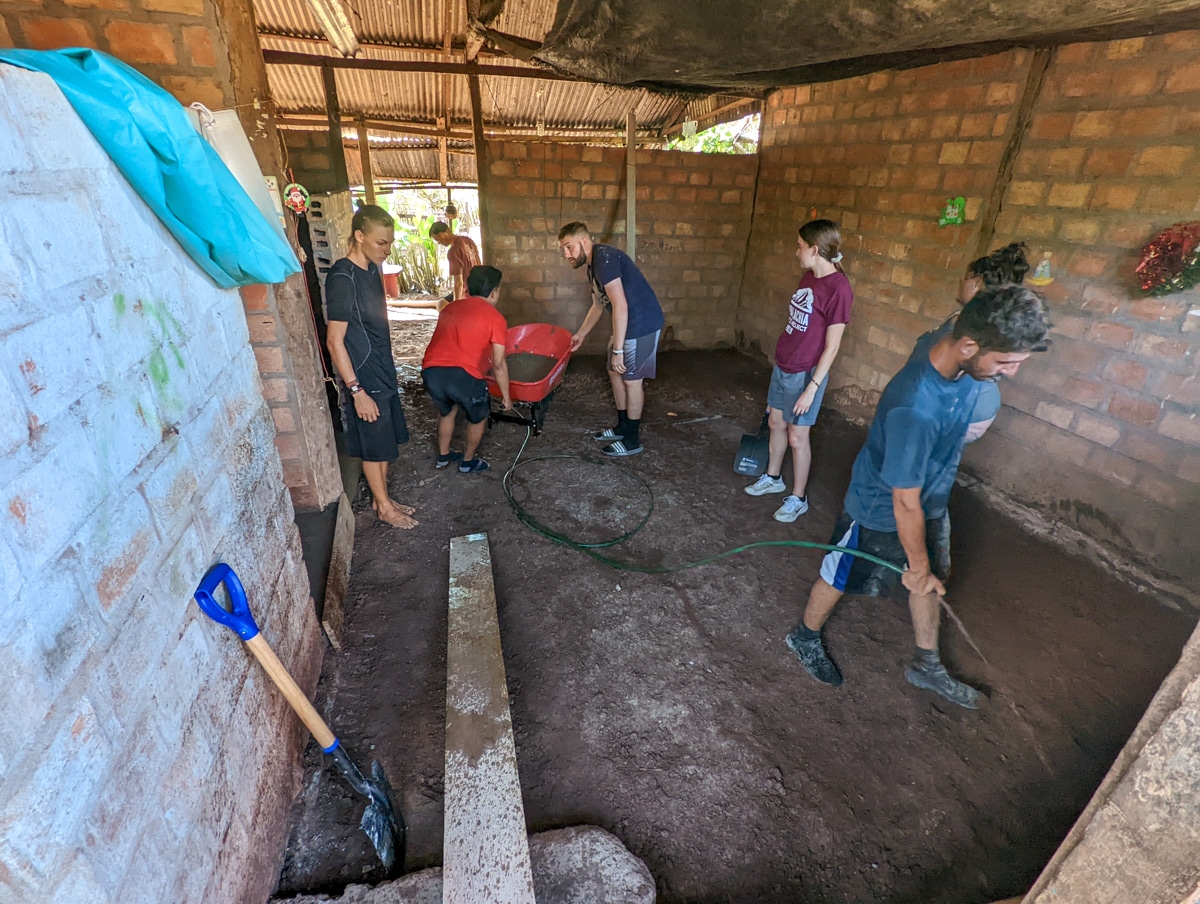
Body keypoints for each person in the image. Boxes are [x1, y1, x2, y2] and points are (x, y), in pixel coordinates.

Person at [784, 285, 1052, 709]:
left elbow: (974, 305)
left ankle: (927, 663)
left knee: (929, 581)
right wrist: (919, 563)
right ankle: (803, 635)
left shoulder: (954, 348)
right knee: (842, 575)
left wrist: (924, 564)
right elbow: (902, 502)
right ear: (968, 345)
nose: (1012, 372)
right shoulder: (915, 408)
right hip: (878, 506)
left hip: (931, 497)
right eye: (1006, 362)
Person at [744, 220, 853, 522]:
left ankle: (798, 497)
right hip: (785, 364)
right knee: (776, 422)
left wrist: (812, 387)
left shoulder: (839, 289)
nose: (796, 252)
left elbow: (831, 347)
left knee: (798, 436)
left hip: (806, 372)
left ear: (815, 250)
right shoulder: (808, 277)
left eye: (800, 246)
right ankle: (773, 477)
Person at [325, 205, 418, 529]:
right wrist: (356, 391)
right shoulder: (342, 277)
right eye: (381, 243)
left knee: (384, 444)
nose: (387, 249)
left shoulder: (370, 271)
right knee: (373, 445)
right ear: (359, 236)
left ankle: (386, 499)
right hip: (363, 376)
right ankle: (383, 507)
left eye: (390, 243)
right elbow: (335, 341)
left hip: (383, 369)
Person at [558, 221, 665, 457]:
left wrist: (618, 349)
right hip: (629, 322)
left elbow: (620, 305)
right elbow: (598, 305)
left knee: (631, 379)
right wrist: (581, 335)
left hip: (642, 323)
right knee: (614, 371)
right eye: (563, 249)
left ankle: (632, 439)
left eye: (569, 247)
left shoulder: (604, 259)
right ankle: (623, 425)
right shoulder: (592, 266)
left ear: (584, 241)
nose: (566, 254)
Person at [910, 242, 1030, 443]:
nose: (960, 281)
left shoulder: (970, 330)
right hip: (971, 408)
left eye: (966, 277)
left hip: (960, 412)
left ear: (977, 283)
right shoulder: (973, 317)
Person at [421, 265, 512, 474]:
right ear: (494, 292)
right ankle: (467, 462)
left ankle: (443, 456)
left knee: (447, 411)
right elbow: (498, 363)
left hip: (431, 372)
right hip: (462, 375)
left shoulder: (450, 308)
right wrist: (506, 397)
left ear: (468, 290)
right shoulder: (495, 318)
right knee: (478, 417)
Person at [430, 222, 481, 302]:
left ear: (443, 234)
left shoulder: (453, 251)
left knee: (442, 305)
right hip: (479, 287)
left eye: (437, 239)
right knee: (441, 303)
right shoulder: (468, 240)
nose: (439, 243)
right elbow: (479, 262)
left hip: (467, 290)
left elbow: (458, 283)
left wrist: (456, 303)